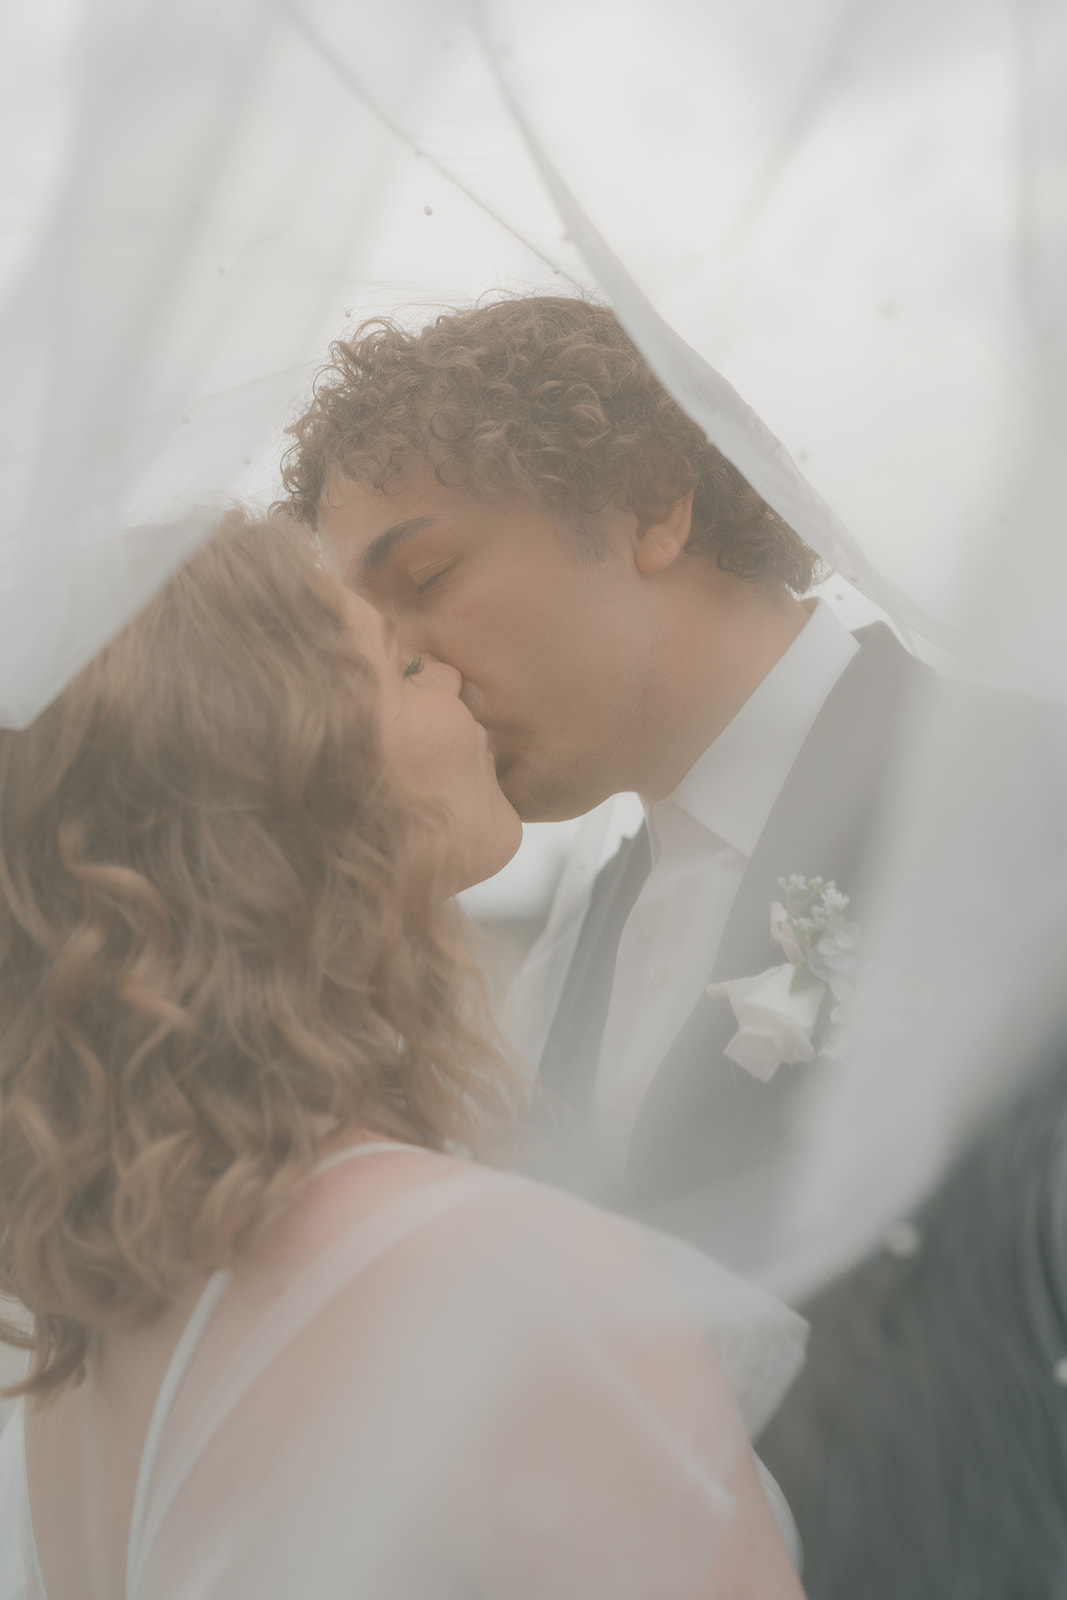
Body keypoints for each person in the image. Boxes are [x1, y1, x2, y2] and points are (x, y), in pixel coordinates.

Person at [0, 508, 806, 1599]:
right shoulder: (510, 1287)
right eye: (409, 663)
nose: (463, 683)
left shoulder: (77, 1353)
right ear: (295, 784)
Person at [283, 293, 926, 1275]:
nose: (421, 674)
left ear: (651, 503)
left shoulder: (999, 798)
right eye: (372, 640)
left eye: (426, 578)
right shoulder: (577, 941)